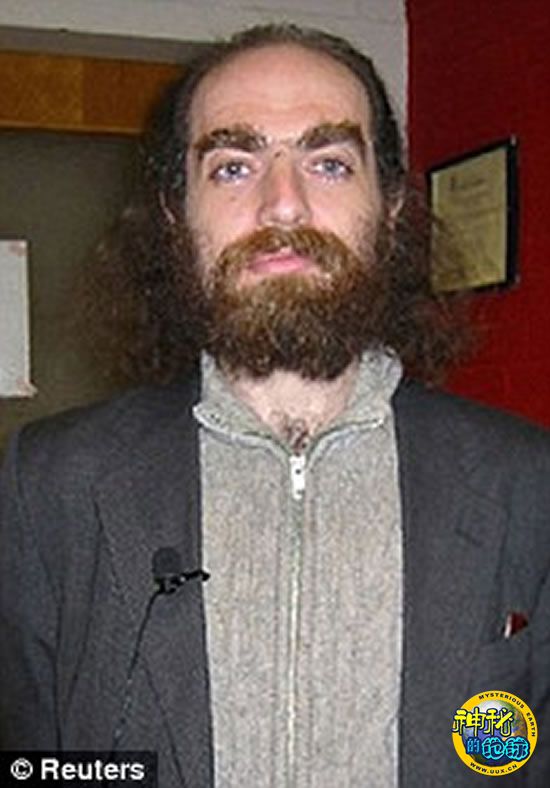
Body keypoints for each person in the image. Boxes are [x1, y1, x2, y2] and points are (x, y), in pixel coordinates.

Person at [1, 23, 549, 788]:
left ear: (391, 203)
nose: (283, 205)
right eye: (233, 166)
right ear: (176, 213)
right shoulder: (51, 484)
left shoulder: (527, 483)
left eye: (329, 163)